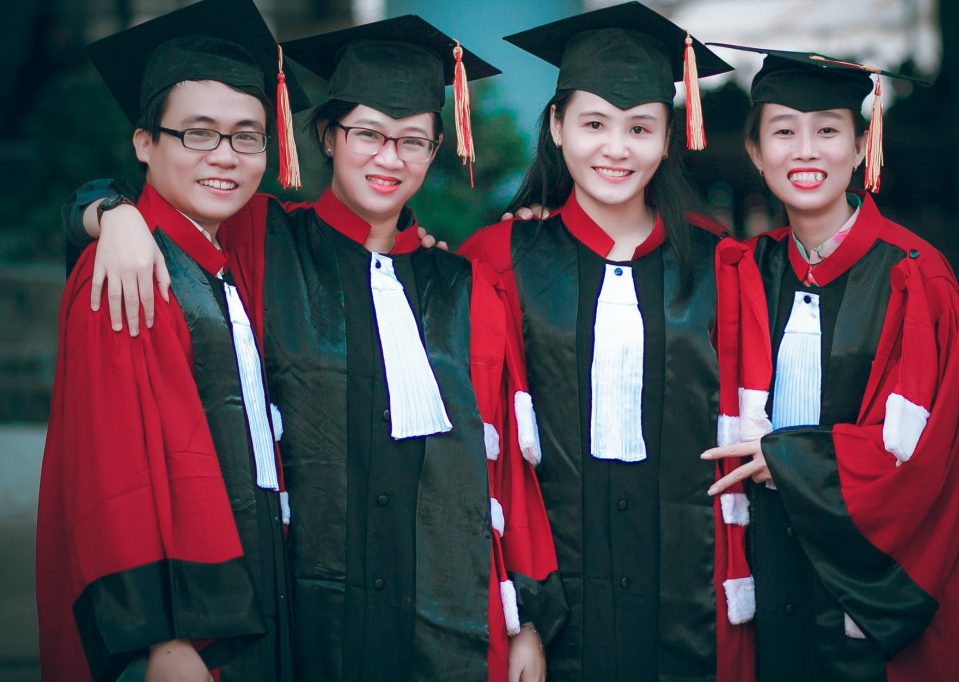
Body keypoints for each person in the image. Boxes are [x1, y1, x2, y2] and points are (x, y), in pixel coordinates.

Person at [61, 15, 566, 682]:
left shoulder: (465, 288)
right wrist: (107, 212)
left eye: (413, 140)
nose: (390, 158)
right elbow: (182, 199)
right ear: (328, 135)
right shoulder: (266, 241)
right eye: (367, 134)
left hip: (448, 624)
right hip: (303, 625)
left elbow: (505, 465)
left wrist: (526, 618)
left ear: (437, 147)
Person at [460, 3, 761, 679]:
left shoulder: (723, 264)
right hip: (557, 605)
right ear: (558, 127)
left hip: (691, 603)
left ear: (668, 137)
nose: (616, 148)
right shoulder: (498, 260)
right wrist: (520, 619)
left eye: (640, 127)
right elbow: (477, 458)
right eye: (593, 123)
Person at [701, 44, 959, 681]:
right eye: (783, 131)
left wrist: (789, 459)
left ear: (864, 144)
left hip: (873, 597)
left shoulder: (917, 279)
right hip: (772, 577)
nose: (806, 151)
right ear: (756, 153)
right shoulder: (742, 271)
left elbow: (938, 458)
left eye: (829, 131)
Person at [36, 0, 309, 680]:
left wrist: (103, 208)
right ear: (144, 143)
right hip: (186, 628)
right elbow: (112, 477)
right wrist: (162, 642)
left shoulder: (239, 249)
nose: (225, 156)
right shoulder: (125, 276)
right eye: (198, 133)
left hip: (256, 589)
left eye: (247, 136)